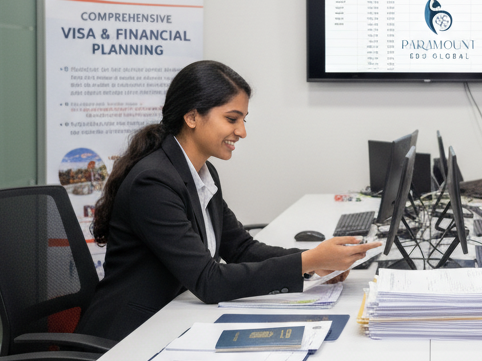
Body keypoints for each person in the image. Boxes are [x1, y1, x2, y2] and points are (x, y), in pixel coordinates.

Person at [76, 60, 380, 341]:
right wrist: (309, 261)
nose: (242, 132)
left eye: (243, 120)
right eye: (232, 119)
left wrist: (314, 261)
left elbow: (241, 249)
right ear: (192, 116)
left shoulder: (202, 173)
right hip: (125, 337)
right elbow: (208, 281)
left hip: (170, 320)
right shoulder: (153, 182)